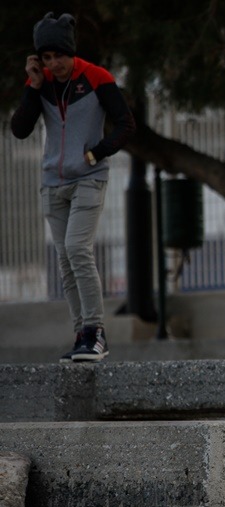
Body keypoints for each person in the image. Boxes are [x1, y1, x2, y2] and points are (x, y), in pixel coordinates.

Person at [11, 12, 136, 362]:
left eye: (59, 57)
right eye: (47, 58)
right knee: (65, 260)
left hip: (88, 178)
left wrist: (97, 152)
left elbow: (126, 124)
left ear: (71, 52)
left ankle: (96, 332)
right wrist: (34, 86)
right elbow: (20, 129)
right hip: (52, 184)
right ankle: (81, 333)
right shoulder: (42, 82)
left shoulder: (97, 78)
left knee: (78, 249)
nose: (55, 64)